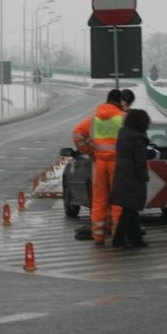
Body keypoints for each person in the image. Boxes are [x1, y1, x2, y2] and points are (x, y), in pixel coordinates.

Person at [72, 89, 125, 245]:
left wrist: (88, 151)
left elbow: (77, 134)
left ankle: (98, 235)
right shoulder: (123, 118)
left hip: (100, 163)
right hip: (117, 163)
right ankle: (117, 234)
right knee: (118, 200)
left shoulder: (95, 119)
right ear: (120, 102)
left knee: (99, 200)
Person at [110, 109, 151, 249]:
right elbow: (140, 160)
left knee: (131, 208)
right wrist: (143, 176)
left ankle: (136, 239)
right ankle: (118, 239)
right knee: (129, 209)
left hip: (122, 173)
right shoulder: (138, 138)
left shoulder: (123, 133)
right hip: (133, 176)